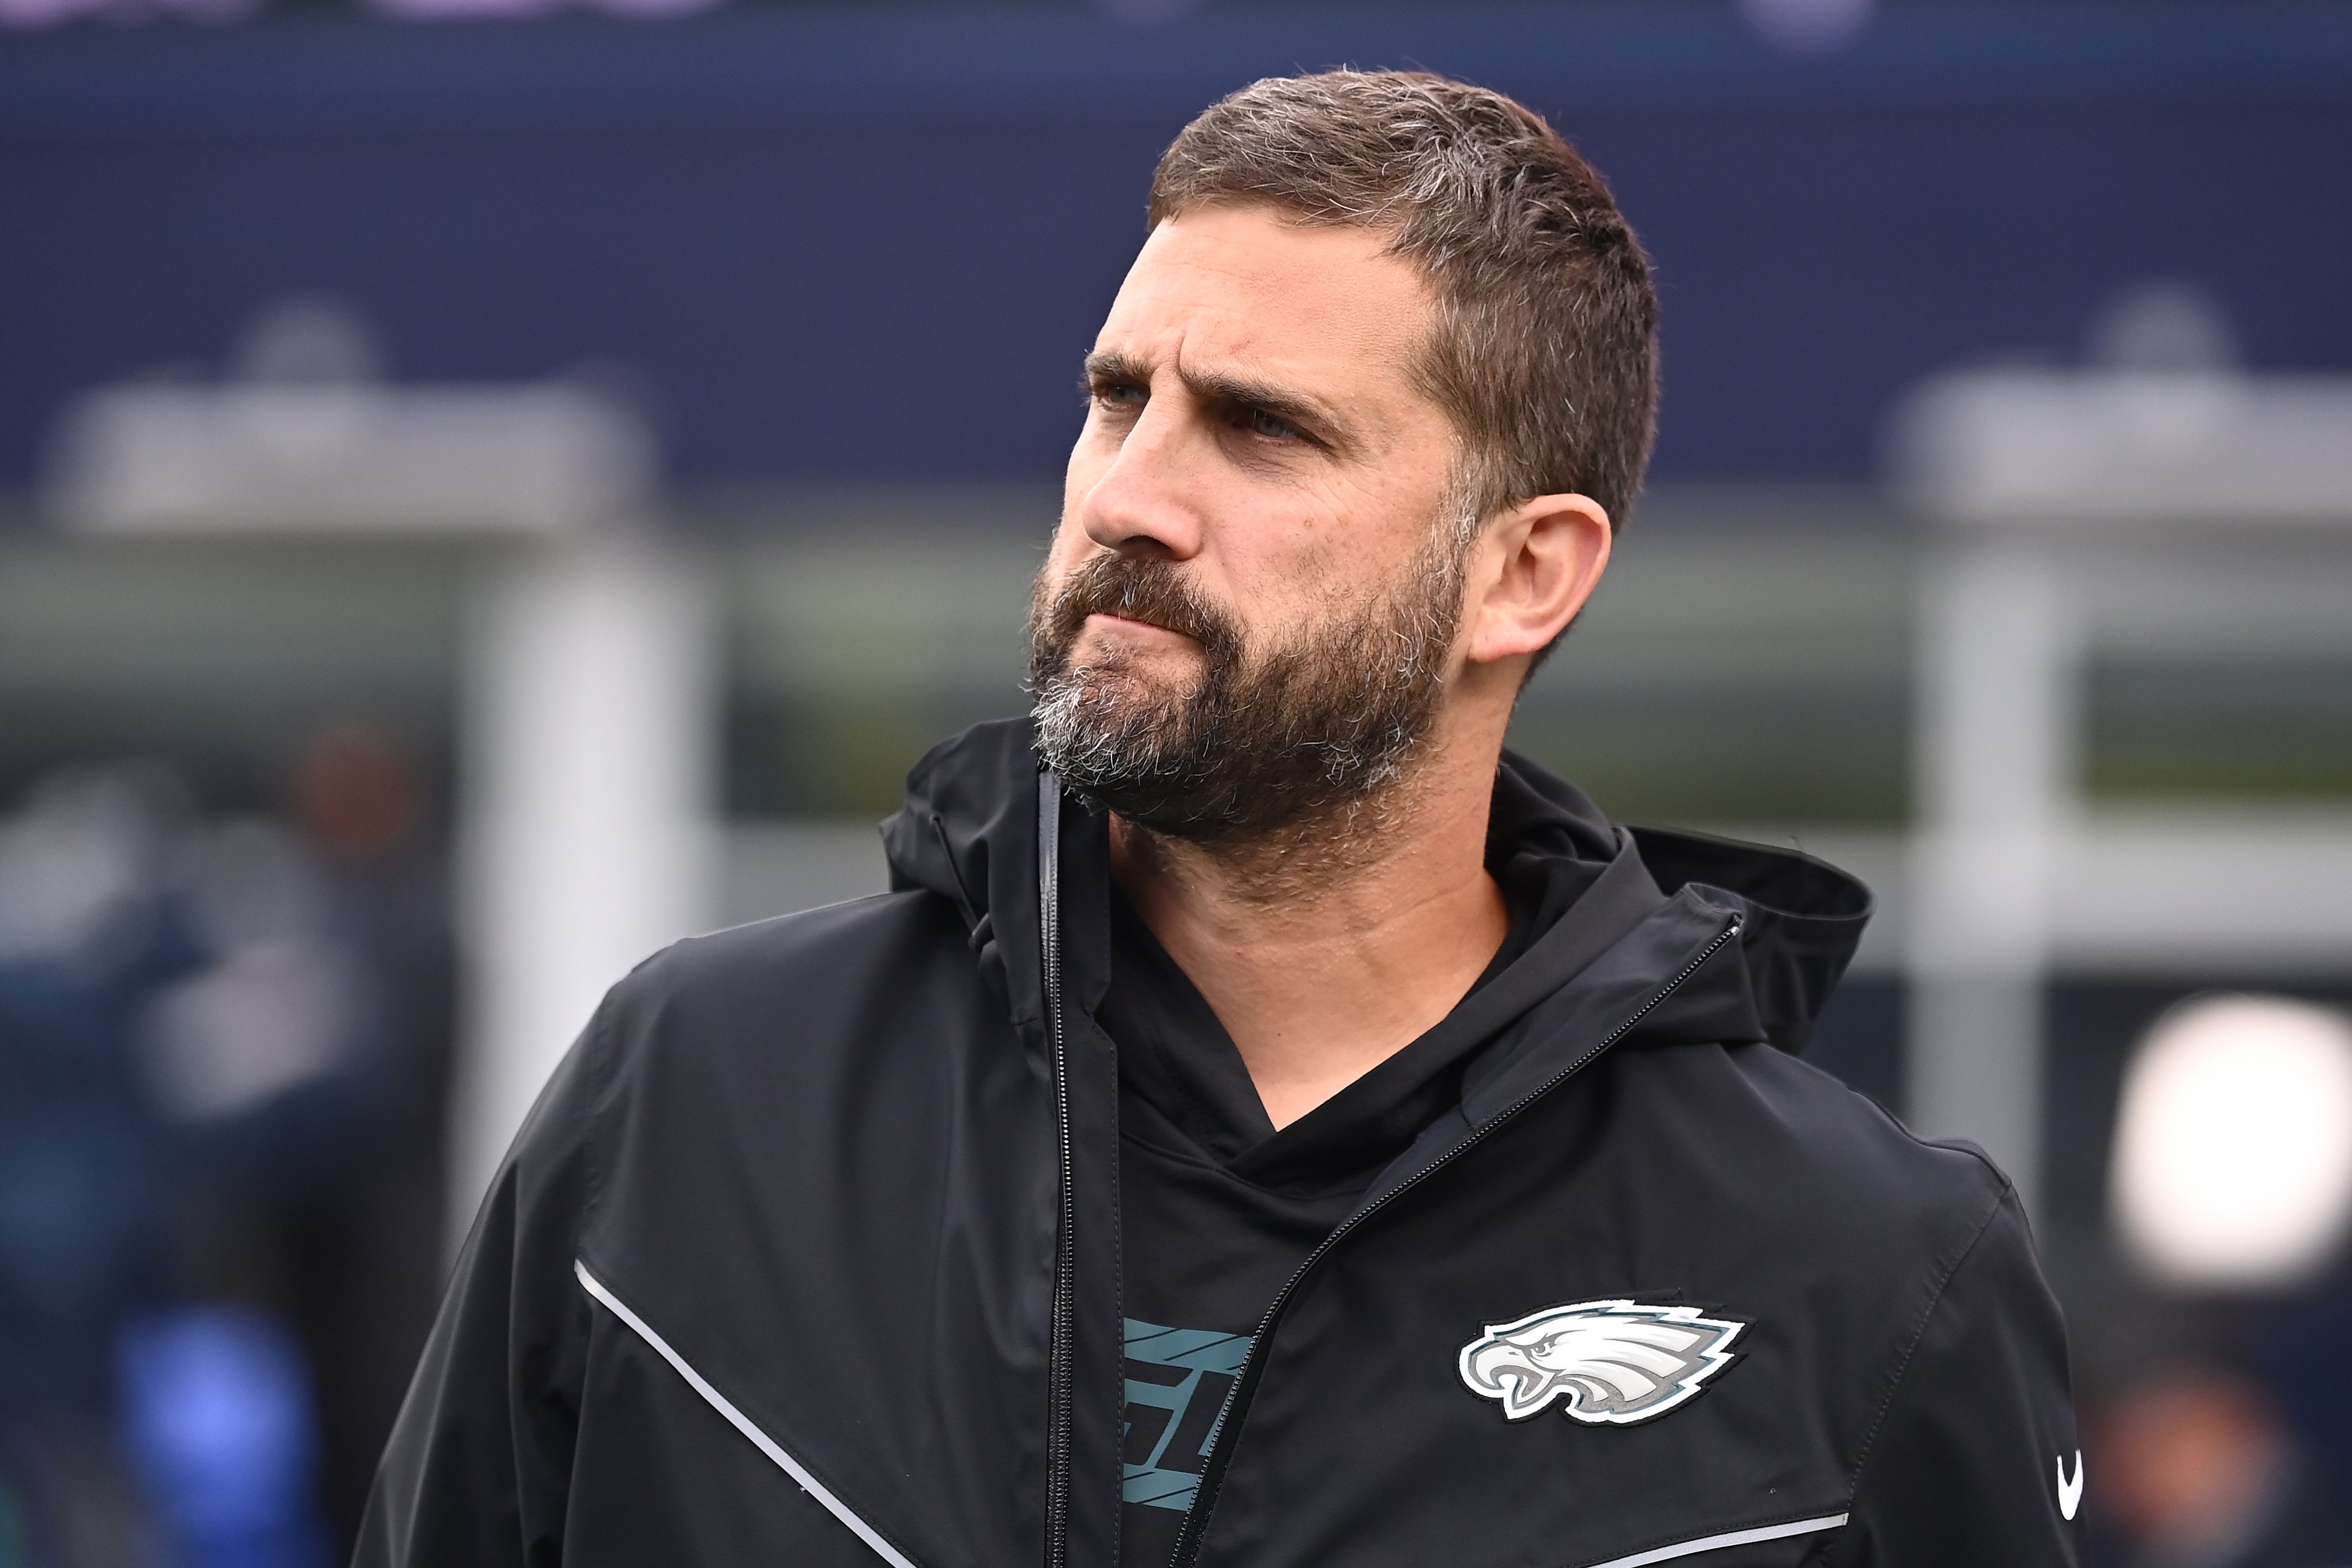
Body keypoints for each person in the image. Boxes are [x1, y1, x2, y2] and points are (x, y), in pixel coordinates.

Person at [359, 71, 2086, 1568]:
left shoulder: (1863, 1276)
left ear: (1523, 572)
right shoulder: (702, 1098)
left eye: (1259, 430)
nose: (1128, 497)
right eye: (1121, 397)